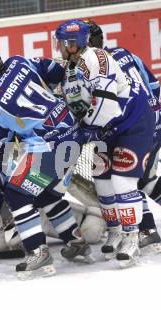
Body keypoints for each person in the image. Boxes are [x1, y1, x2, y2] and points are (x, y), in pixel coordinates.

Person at [0, 47, 93, 280]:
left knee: (17, 193)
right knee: (45, 194)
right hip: (74, 134)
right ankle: (76, 242)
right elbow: (56, 71)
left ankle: (38, 252)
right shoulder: (19, 61)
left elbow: (3, 144)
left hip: (50, 148)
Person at [56, 19, 155, 267]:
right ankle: (116, 231)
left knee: (122, 181)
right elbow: (75, 104)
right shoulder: (71, 66)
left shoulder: (99, 59)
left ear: (74, 43)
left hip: (132, 123)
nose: (58, 47)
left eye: (61, 42)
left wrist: (84, 132)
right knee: (102, 180)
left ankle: (133, 236)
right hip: (105, 129)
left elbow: (106, 108)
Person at [84, 19, 161, 254]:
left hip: (137, 125)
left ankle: (143, 231)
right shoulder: (124, 53)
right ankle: (143, 230)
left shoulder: (97, 69)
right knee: (132, 179)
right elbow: (153, 84)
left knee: (136, 179)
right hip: (145, 119)